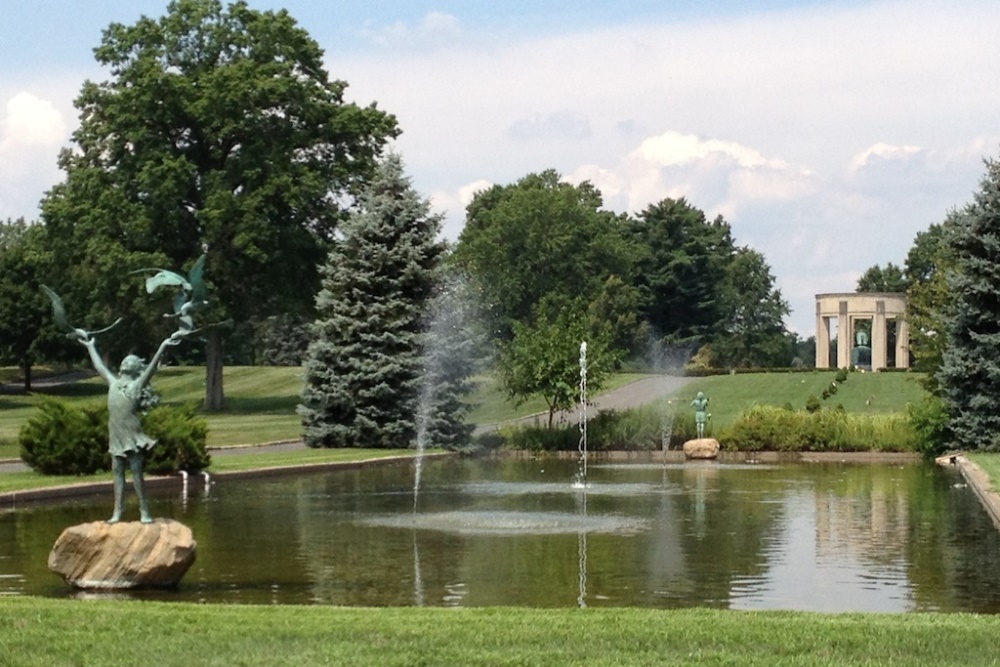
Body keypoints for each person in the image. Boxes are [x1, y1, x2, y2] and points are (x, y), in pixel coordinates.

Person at [78, 330, 185, 524]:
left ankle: (144, 510)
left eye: (131, 362)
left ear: (136, 369)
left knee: (136, 471)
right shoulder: (114, 383)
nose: (126, 363)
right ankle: (118, 510)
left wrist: (162, 346)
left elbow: (152, 368)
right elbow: (100, 367)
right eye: (125, 361)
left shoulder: (137, 385)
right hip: (116, 433)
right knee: (117, 471)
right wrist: (91, 346)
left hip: (132, 433)